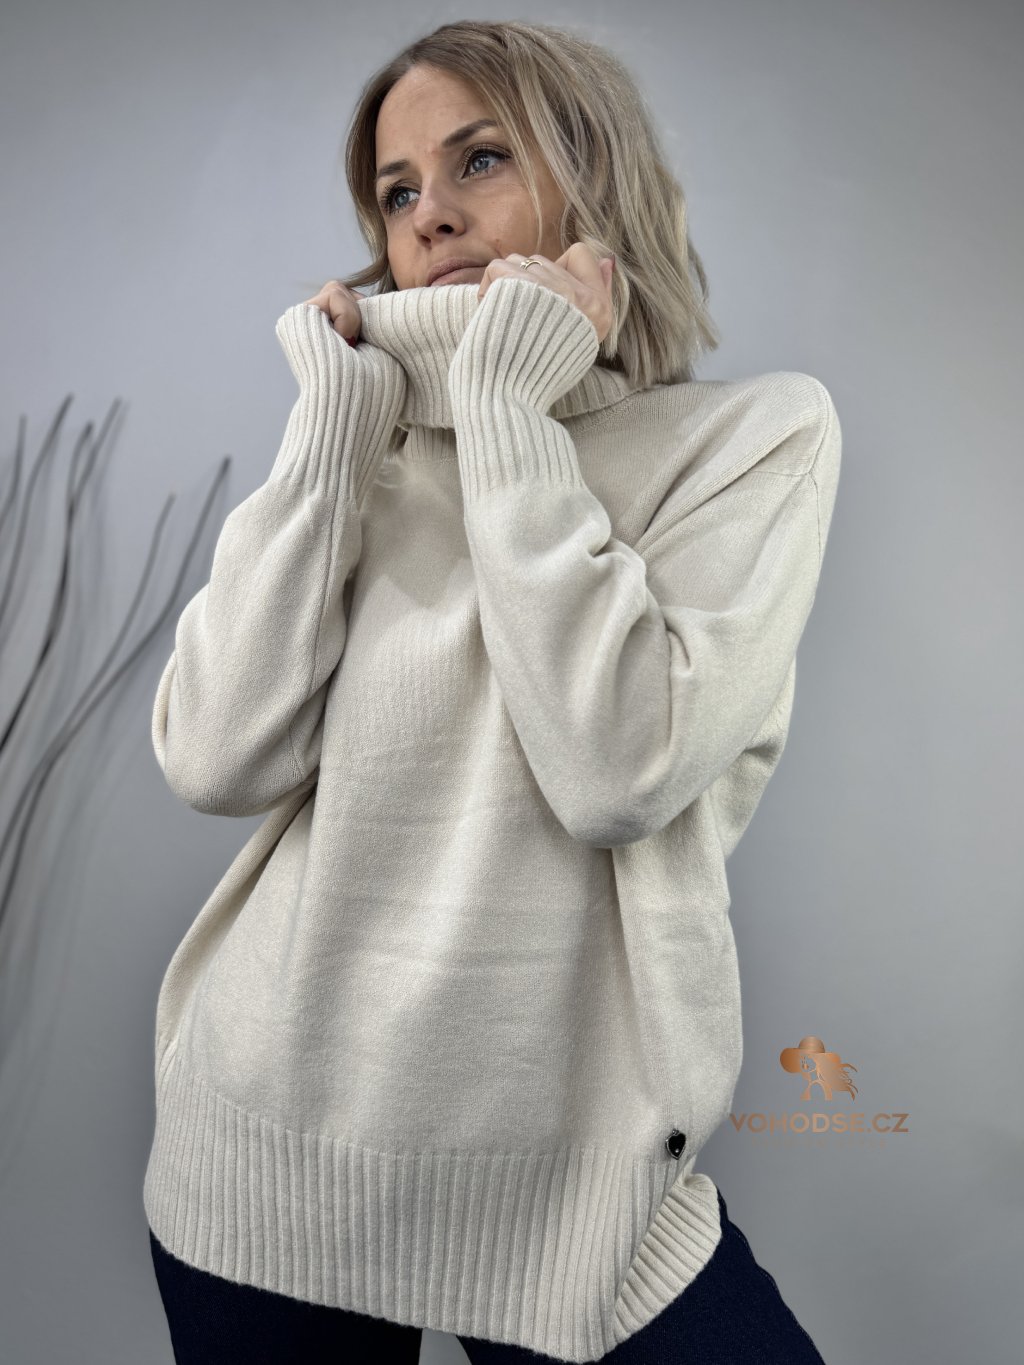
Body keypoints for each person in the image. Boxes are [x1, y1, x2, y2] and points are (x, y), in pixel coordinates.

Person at [144, 18, 839, 1364]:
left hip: (577, 1193)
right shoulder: (361, 450)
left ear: (594, 172)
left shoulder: (750, 442)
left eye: (479, 159)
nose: (431, 216)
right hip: (265, 1161)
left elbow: (619, 767)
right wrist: (327, 443)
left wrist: (510, 413)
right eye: (398, 190)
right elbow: (214, 758)